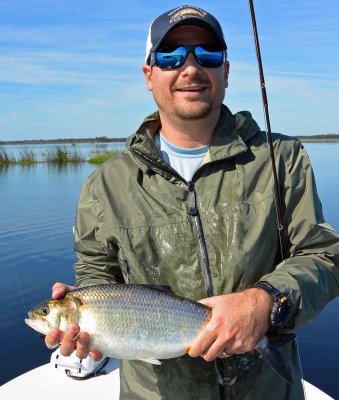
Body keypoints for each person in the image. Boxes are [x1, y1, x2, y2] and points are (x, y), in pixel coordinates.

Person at [45, 5, 339, 400]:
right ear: (149, 75)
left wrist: (267, 300)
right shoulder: (104, 185)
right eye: (170, 56)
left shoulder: (282, 157)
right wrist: (88, 323)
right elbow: (97, 277)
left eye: (207, 54)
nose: (190, 67)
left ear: (226, 71)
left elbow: (325, 256)